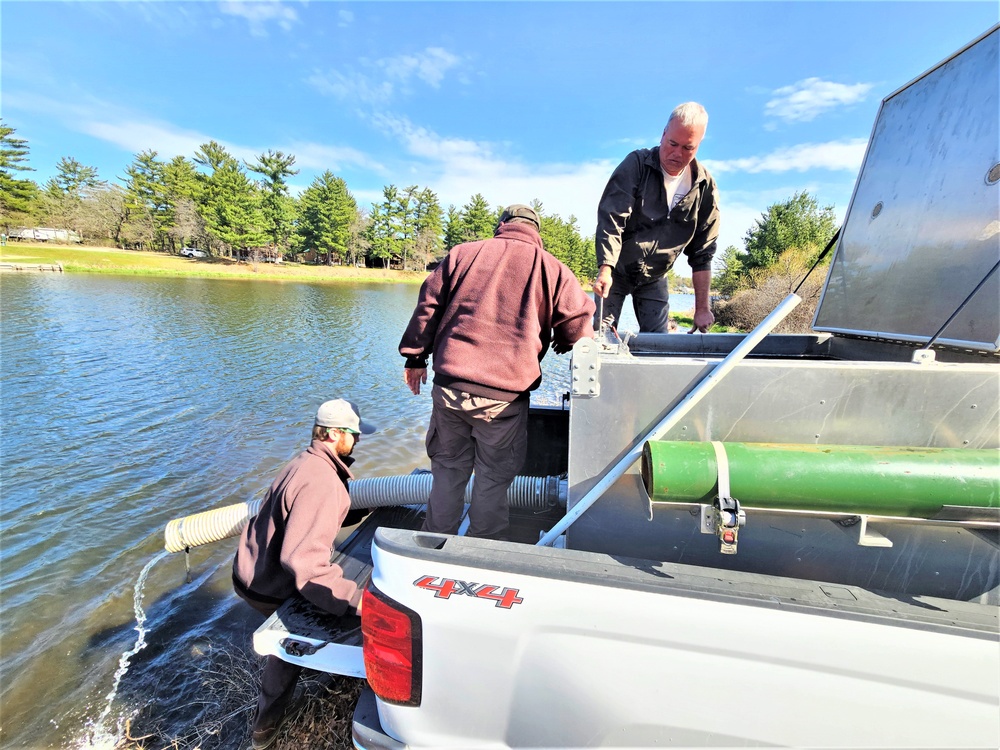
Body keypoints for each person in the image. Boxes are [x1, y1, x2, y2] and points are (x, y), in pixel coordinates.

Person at [399, 204, 595, 540]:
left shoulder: (462, 254)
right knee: (492, 477)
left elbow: (428, 307)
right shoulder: (552, 268)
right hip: (503, 399)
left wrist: (415, 358)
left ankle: (432, 543)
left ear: (502, 225)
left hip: (450, 386)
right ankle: (483, 548)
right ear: (537, 233)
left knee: (447, 470)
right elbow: (579, 327)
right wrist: (564, 339)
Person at [232, 398, 375, 750]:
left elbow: (303, 517)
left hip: (251, 566)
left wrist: (365, 506)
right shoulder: (323, 482)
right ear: (333, 435)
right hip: (268, 583)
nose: (358, 442)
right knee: (293, 645)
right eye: (354, 435)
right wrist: (359, 601)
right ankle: (265, 732)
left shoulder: (306, 461)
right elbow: (305, 565)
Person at [593, 102, 720, 333]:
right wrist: (605, 269)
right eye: (672, 143)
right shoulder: (637, 165)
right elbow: (611, 220)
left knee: (659, 346)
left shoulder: (704, 186)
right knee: (600, 338)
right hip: (617, 272)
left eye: (687, 148)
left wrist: (702, 308)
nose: (677, 153)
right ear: (663, 134)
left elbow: (703, 251)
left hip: (655, 277)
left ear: (699, 145)